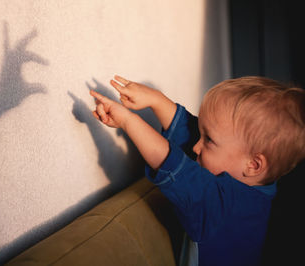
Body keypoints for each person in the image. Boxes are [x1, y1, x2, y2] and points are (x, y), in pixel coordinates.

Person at [89, 75, 305, 266]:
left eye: (208, 140)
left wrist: (129, 122)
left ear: (254, 165)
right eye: (202, 134)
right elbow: (191, 132)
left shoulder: (227, 206)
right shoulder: (254, 180)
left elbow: (173, 165)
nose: (196, 147)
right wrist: (156, 100)